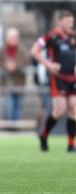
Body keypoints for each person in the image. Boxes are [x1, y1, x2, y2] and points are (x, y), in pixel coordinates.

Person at [31, 10, 76, 152]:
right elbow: (35, 51)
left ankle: (70, 145)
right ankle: (44, 136)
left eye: (72, 21)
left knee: (74, 108)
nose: (70, 24)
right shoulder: (51, 36)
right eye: (67, 21)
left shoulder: (74, 36)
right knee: (59, 111)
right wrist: (48, 64)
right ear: (60, 21)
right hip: (59, 78)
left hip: (73, 78)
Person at [0, 28, 30, 121]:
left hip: (19, 82)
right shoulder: (2, 49)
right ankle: (7, 124)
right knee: (8, 105)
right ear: (7, 38)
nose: (14, 39)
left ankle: (14, 126)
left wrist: (15, 65)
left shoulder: (23, 49)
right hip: (7, 83)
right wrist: (6, 65)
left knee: (18, 105)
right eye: (12, 37)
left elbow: (27, 60)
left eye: (15, 37)